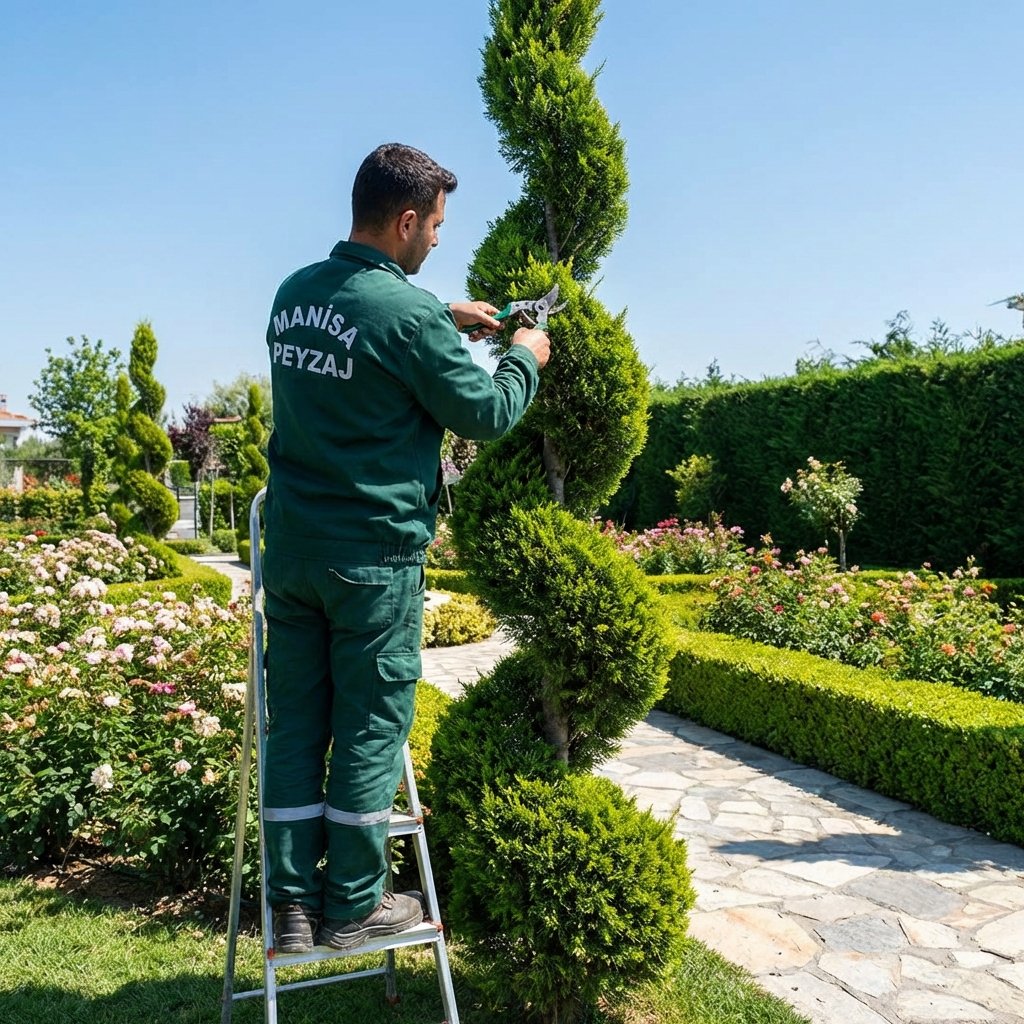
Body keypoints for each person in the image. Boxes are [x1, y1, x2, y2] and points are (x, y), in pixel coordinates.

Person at [260, 142, 550, 953]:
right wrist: (524, 358)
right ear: (407, 219)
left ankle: (289, 907)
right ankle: (352, 907)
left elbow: (359, 343)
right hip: (373, 559)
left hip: (292, 555)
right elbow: (485, 414)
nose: (437, 242)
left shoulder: (293, 296)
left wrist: (439, 315)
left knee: (296, 728)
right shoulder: (406, 315)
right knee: (367, 729)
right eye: (436, 228)